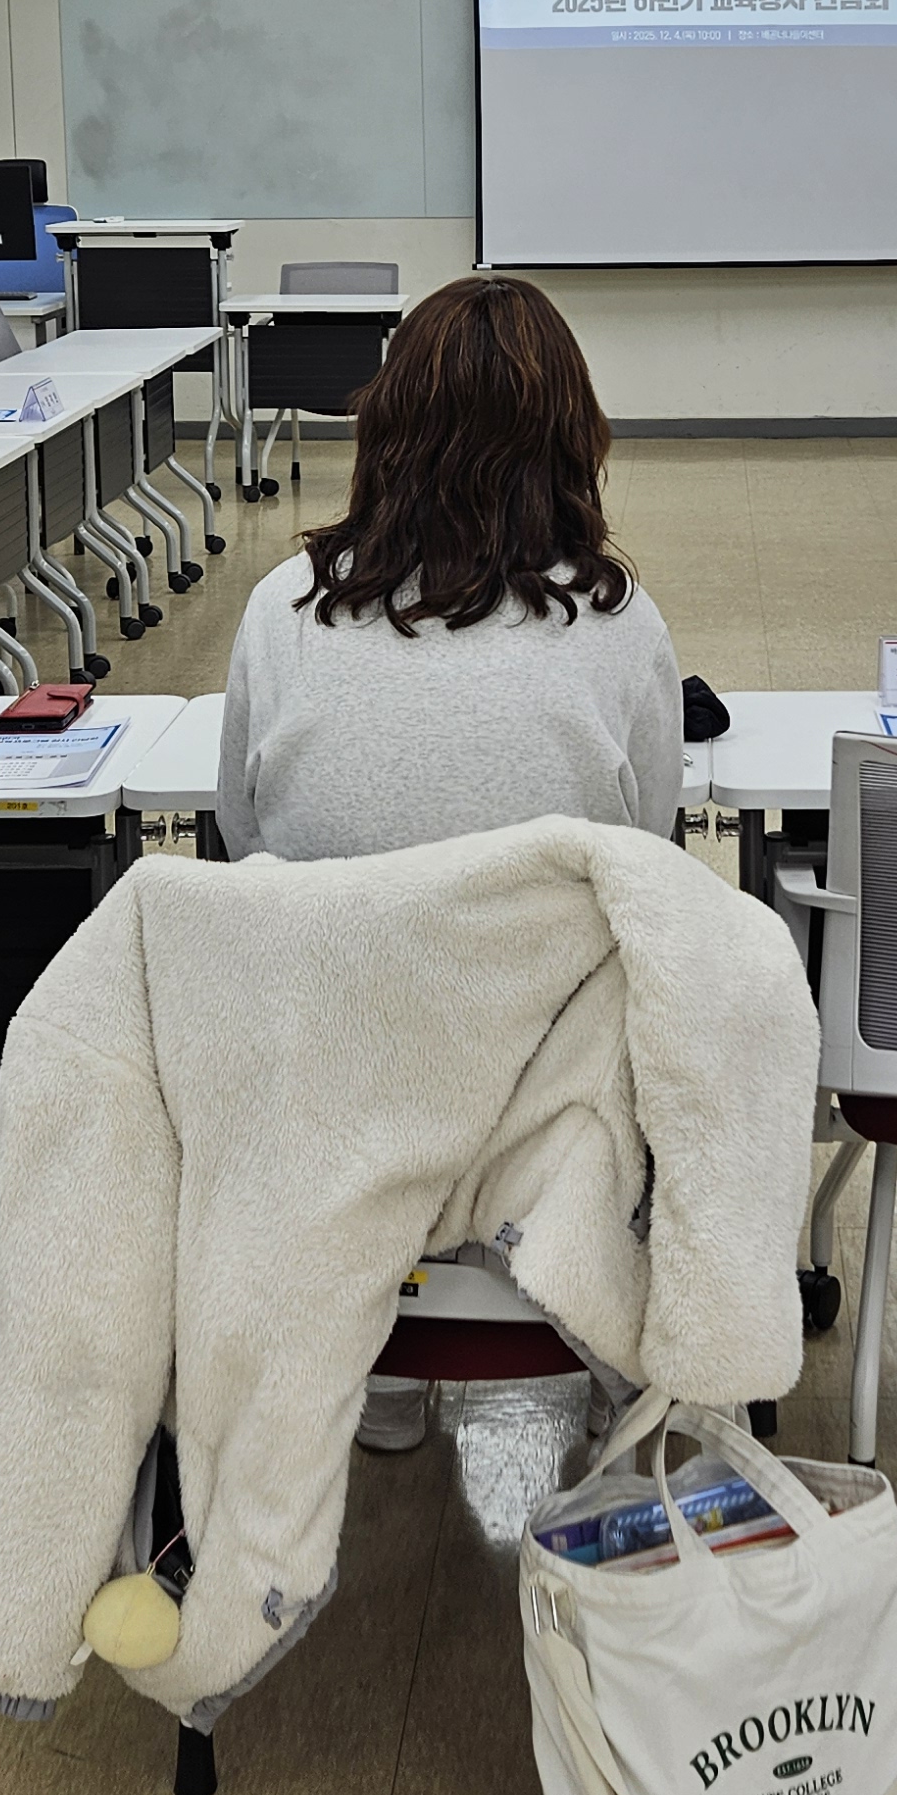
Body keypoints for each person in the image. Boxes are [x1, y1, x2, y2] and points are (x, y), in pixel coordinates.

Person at [213, 271, 684, 1454]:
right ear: (572, 440)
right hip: (545, 1101)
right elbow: (650, 856)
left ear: (385, 427)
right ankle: (615, 1344)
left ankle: (378, 1351)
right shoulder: (619, 622)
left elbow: (244, 834)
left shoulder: (280, 610)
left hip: (339, 1098)